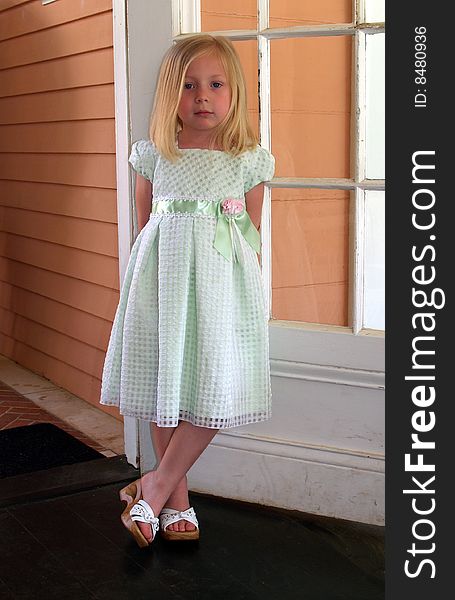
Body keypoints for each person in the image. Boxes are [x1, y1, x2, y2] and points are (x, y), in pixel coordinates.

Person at [99, 33, 275, 548]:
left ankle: (151, 489)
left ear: (234, 91)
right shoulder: (156, 153)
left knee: (211, 391)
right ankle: (177, 506)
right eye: (189, 86)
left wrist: (250, 298)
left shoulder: (247, 159)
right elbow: (145, 224)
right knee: (165, 389)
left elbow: (250, 237)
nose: (203, 97)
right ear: (170, 95)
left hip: (220, 291)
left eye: (215, 85)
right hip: (163, 286)